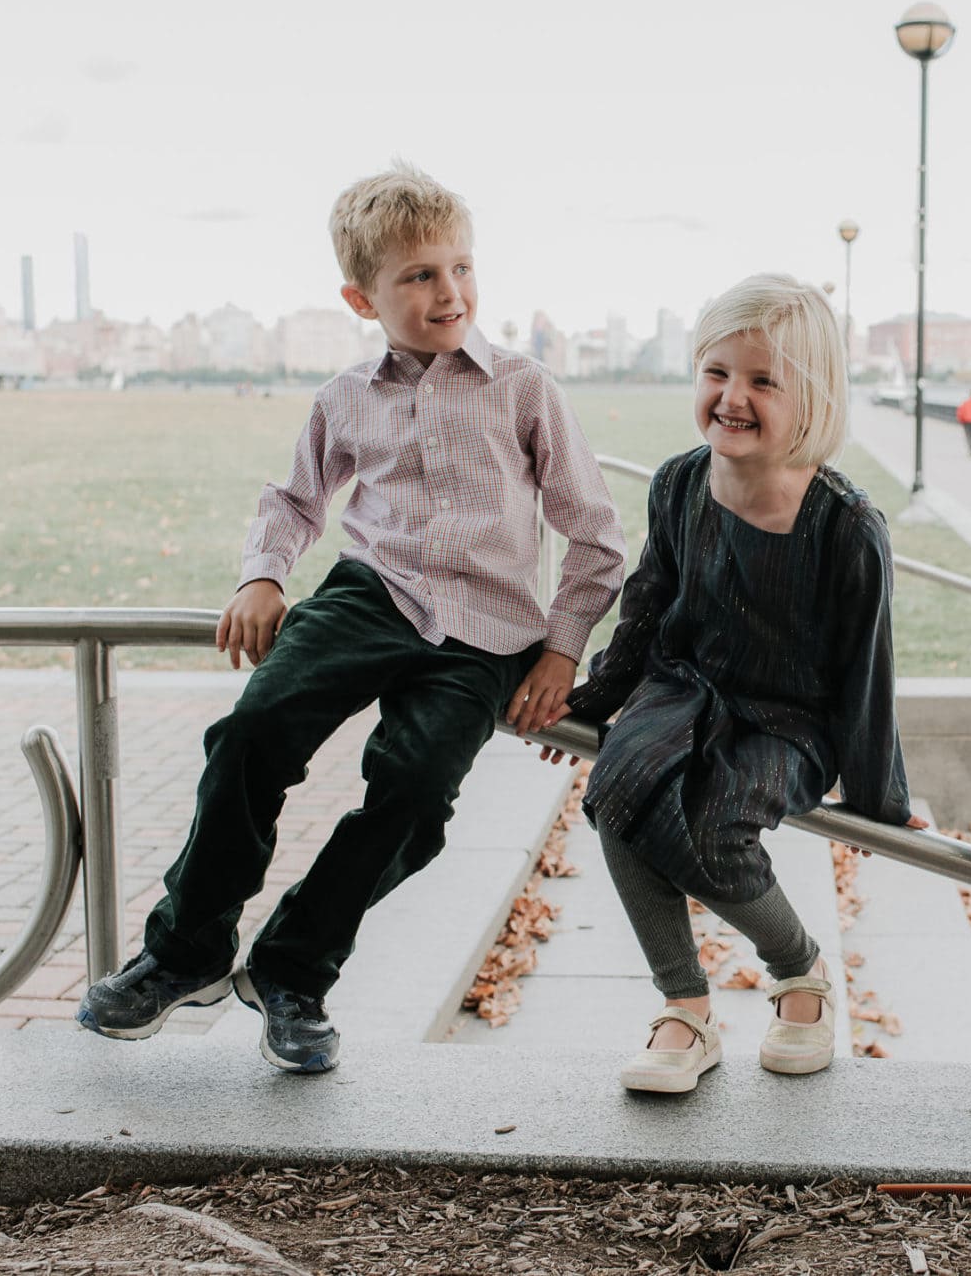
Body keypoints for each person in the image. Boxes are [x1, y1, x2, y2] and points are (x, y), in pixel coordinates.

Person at [75, 163, 627, 1073]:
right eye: (418, 275)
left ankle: (293, 970)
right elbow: (294, 500)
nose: (449, 291)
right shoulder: (345, 397)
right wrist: (262, 575)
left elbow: (596, 539)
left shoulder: (525, 388)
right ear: (360, 297)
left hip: (487, 632)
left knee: (414, 794)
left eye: (460, 267)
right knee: (252, 731)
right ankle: (186, 951)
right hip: (371, 593)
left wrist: (561, 653)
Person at [539, 274, 924, 1094]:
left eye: (762, 381)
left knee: (718, 829)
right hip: (684, 685)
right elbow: (646, 603)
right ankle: (685, 1006)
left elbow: (867, 669)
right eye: (717, 373)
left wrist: (875, 797)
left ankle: (800, 972)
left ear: (812, 397)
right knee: (618, 789)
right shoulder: (682, 482)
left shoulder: (845, 526)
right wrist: (597, 696)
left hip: (789, 716)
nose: (732, 398)